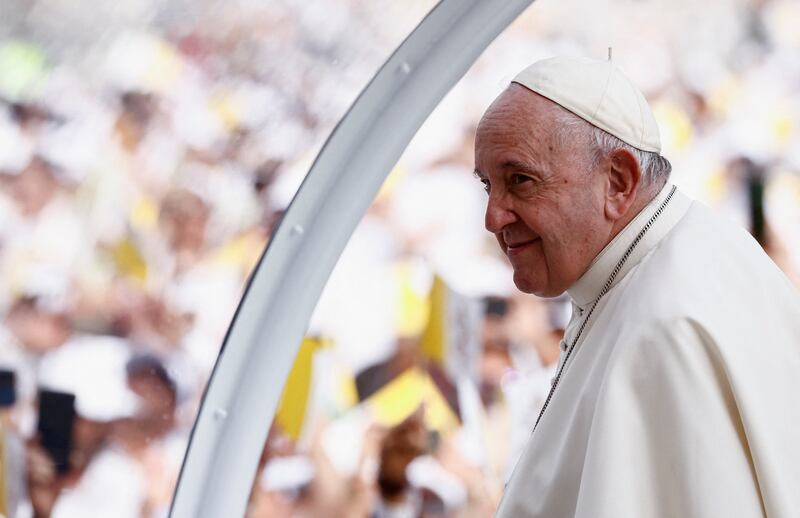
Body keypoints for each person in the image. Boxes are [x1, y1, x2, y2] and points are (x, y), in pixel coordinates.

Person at [472, 56, 800, 517]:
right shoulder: (676, 253)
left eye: (520, 180)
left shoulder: (667, 329)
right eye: (488, 186)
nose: (493, 218)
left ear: (618, 181)